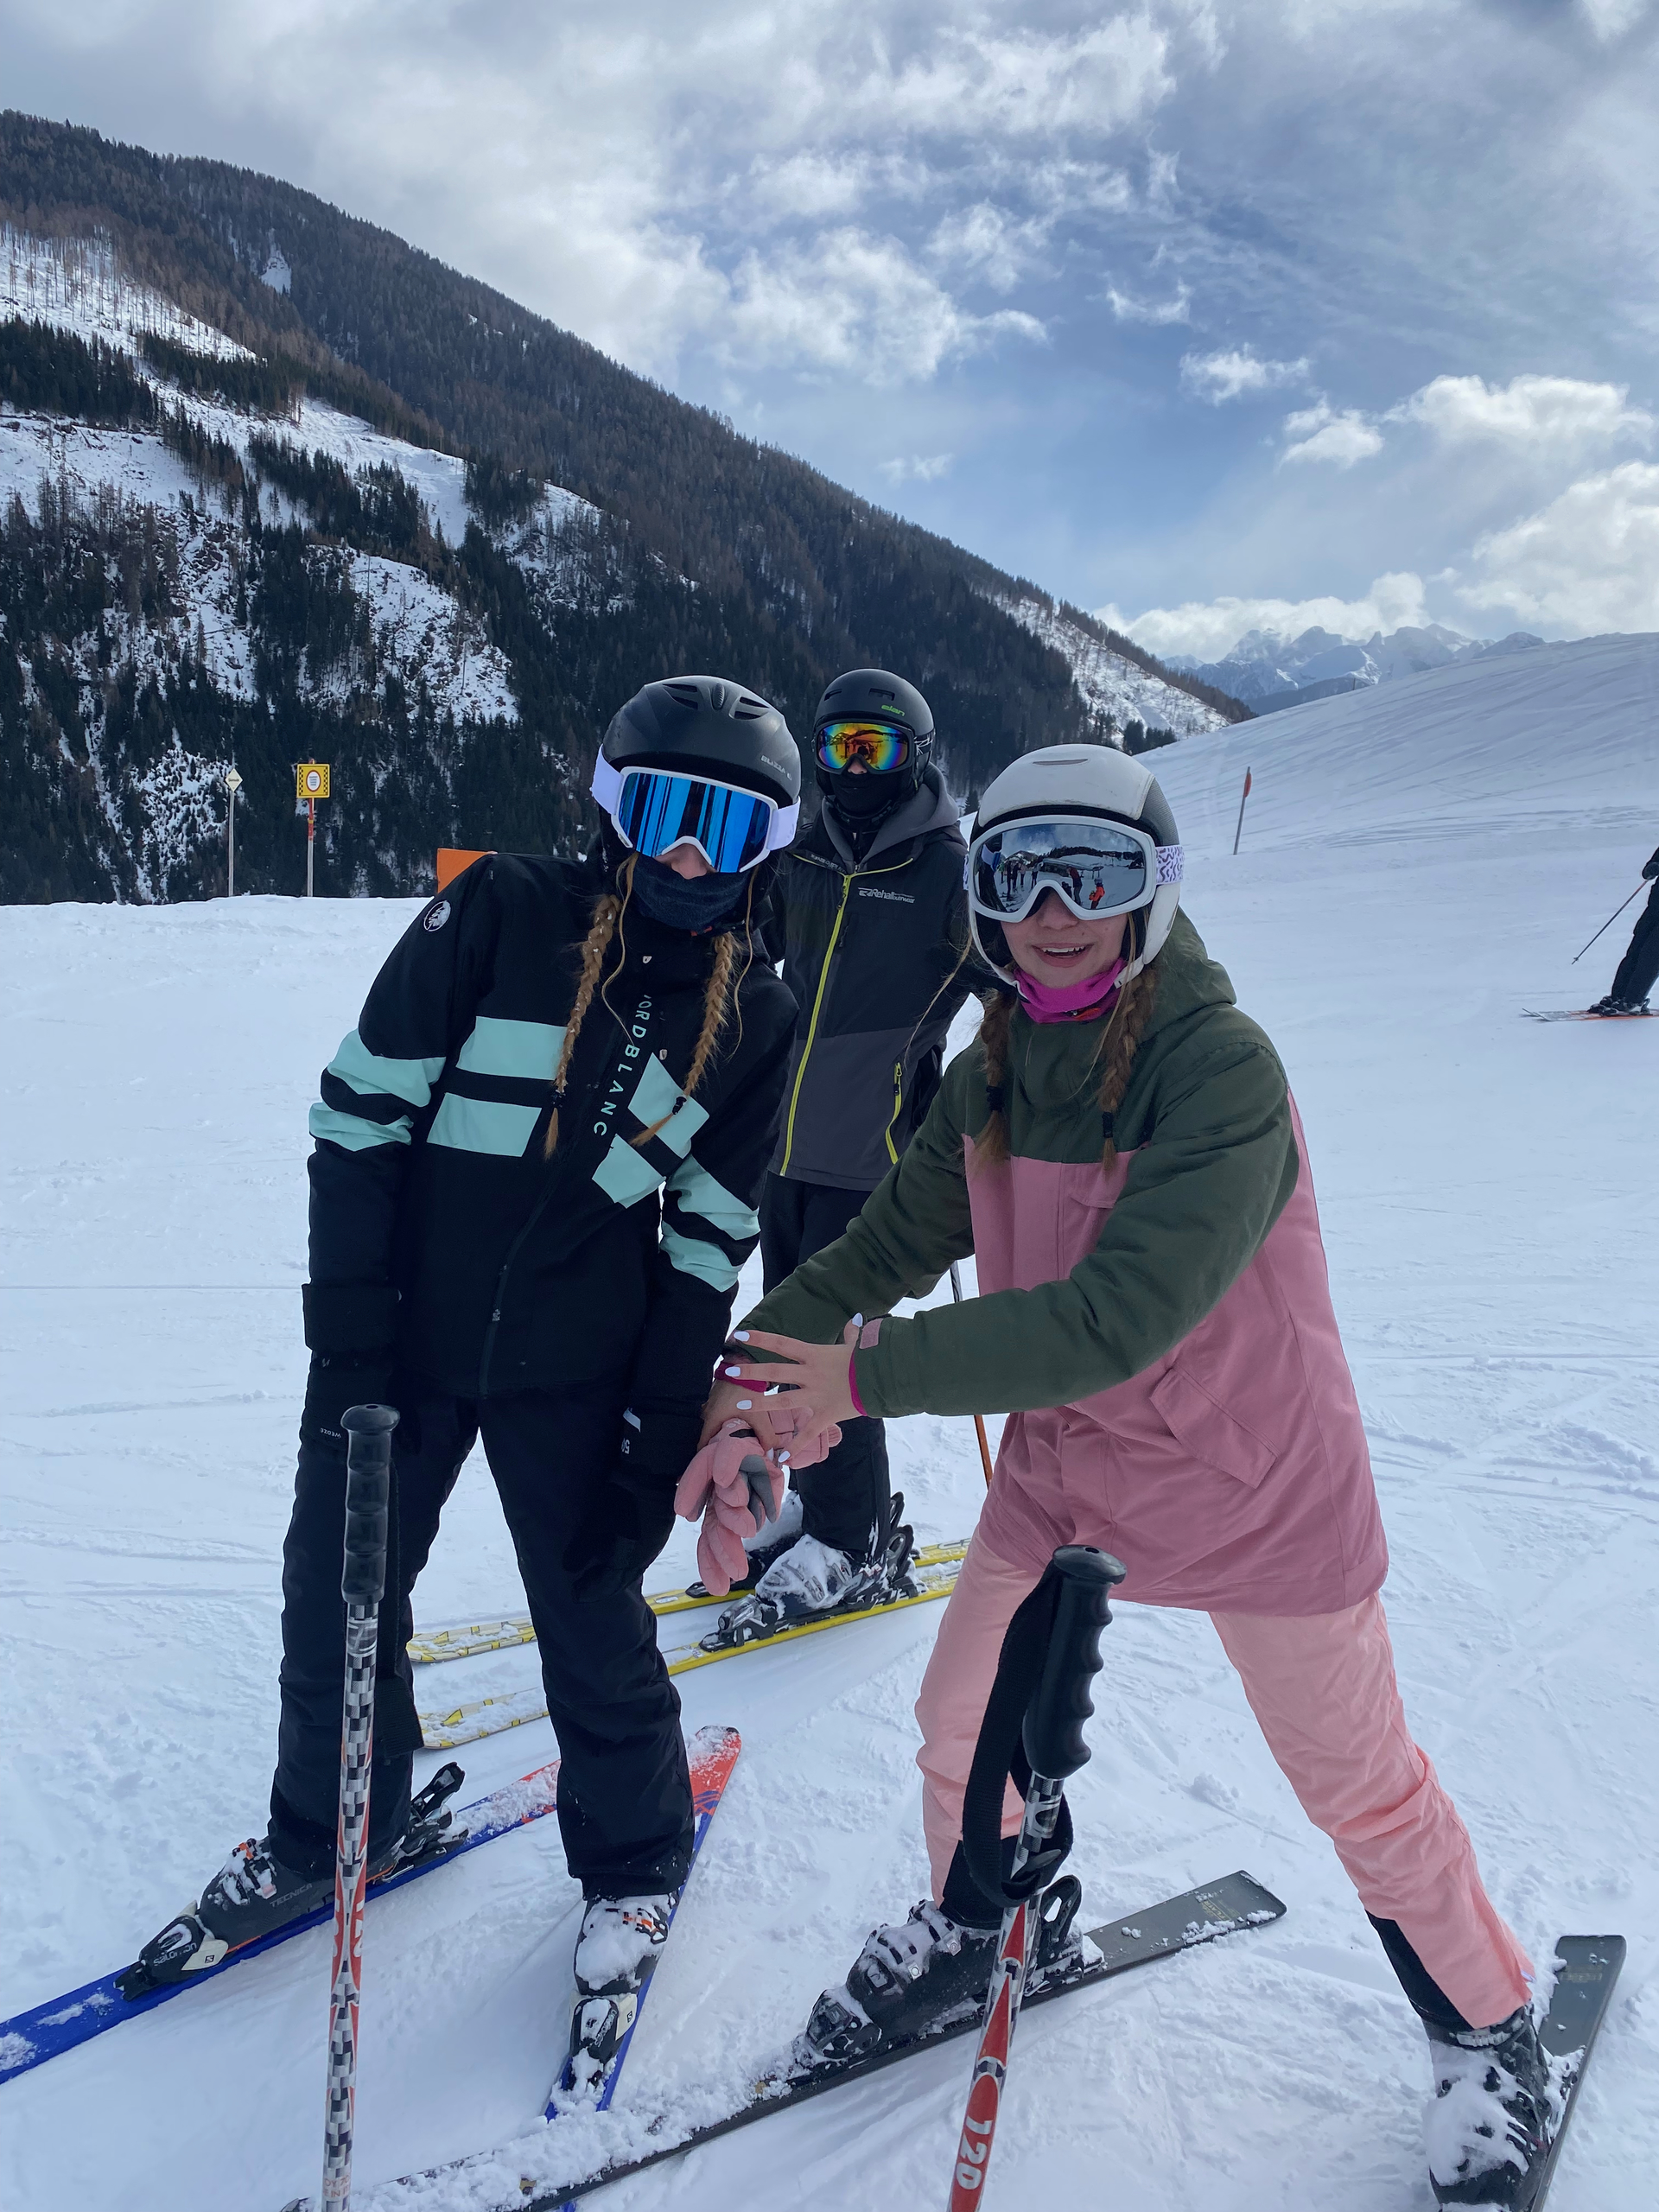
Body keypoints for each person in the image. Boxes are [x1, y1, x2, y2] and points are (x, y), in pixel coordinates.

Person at [697, 742, 1550, 2207]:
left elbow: (1114, 1318)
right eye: (1017, 874)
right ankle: (984, 1927)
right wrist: (750, 1380)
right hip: (1068, 1473)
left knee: (1356, 1783)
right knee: (960, 1725)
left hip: (1250, 1480)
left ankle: (1488, 2032)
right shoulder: (996, 1063)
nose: (1053, 911)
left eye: (1091, 874)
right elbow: (887, 1243)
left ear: (1153, 890)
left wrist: (863, 1378)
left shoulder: (1219, 1068)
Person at [123, 674, 799, 2031]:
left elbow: (706, 1238)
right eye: (663, 813)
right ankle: (330, 1829)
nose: (686, 857)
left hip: (584, 1363)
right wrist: (350, 1335)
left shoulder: (756, 1022)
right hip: (404, 1344)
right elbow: (360, 1114)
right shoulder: (502, 910)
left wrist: (658, 1417)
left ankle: (635, 1864)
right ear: (610, 810)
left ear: (766, 852)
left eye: (724, 829)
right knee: (339, 1591)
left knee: (590, 1611)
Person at [711, 669, 976, 1637]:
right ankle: (824, 1506)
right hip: (784, 1149)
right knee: (790, 1345)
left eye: (876, 748)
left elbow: (1011, 989)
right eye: (838, 747)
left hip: (875, 1165)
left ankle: (853, 1538)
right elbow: (752, 944)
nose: (855, 769)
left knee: (835, 1357)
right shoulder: (806, 854)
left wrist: (964, 1095)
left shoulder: (946, 873)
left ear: (916, 756)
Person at [1590, 840, 1659, 1014]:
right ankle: (1619, 996)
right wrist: (1652, 868)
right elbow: (1650, 867)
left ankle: (1634, 1000)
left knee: (1652, 954)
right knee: (1636, 950)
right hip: (1655, 906)